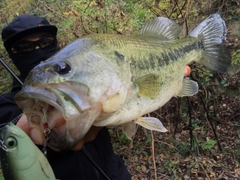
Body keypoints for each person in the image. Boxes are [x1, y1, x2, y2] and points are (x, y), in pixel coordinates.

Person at [0, 14, 131, 180]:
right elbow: (16, 128)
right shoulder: (5, 105)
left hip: (115, 173)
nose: (38, 50)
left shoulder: (87, 76)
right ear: (12, 54)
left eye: (45, 42)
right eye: (25, 46)